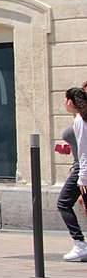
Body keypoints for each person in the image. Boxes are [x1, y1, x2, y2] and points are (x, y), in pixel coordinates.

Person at [58, 86, 87, 261]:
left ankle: (79, 243)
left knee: (63, 203)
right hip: (81, 167)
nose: (64, 103)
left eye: (64, 99)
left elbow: (84, 150)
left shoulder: (79, 121)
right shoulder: (81, 119)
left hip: (82, 169)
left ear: (70, 101)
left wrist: (82, 176)